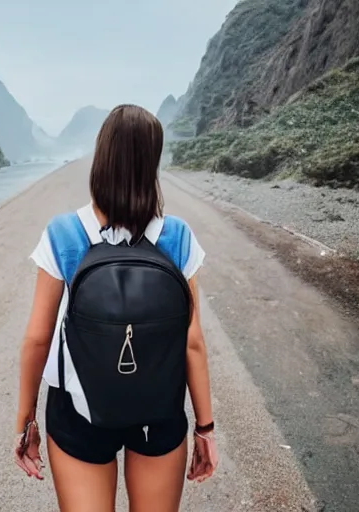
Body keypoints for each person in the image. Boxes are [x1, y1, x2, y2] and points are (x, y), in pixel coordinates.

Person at [14, 104, 218, 512]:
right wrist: (205, 427)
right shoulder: (176, 236)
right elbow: (192, 341)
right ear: (153, 162)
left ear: (100, 157)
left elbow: (38, 338)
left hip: (77, 410)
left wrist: (27, 423)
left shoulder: (64, 233)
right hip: (158, 409)